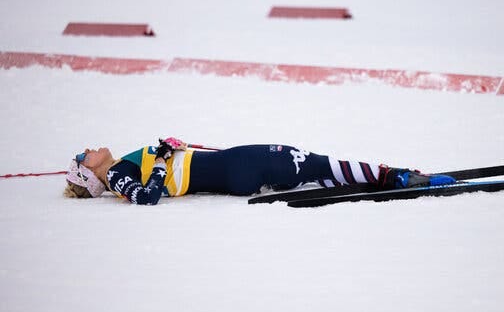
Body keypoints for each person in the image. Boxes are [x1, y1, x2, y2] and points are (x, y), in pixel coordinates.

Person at [64, 138, 455, 205]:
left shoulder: (122, 167)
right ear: (89, 176)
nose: (88, 149)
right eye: (83, 157)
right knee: (310, 162)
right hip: (237, 167)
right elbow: (147, 197)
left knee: (311, 170)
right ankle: (398, 177)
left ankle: (392, 176)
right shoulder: (116, 175)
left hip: (234, 169)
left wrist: (168, 152)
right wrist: (165, 160)